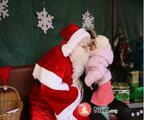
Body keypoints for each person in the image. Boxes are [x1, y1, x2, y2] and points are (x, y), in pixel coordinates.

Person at [29, 23, 92, 120]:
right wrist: (76, 92)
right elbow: (48, 89)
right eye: (83, 47)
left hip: (65, 102)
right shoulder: (57, 57)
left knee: (84, 115)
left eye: (88, 47)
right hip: (43, 103)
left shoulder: (73, 58)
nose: (87, 51)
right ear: (73, 45)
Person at [84, 34, 114, 120]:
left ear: (98, 48)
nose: (91, 45)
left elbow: (98, 72)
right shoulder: (102, 56)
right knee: (103, 107)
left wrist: (87, 80)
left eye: (93, 44)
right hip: (105, 84)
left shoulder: (96, 58)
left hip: (102, 87)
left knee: (101, 108)